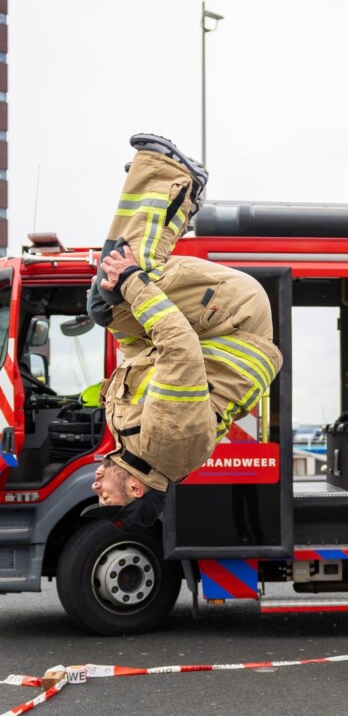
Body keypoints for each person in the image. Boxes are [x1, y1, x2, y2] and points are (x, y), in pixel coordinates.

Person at [86, 135, 283, 529]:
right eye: (105, 498)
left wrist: (119, 302)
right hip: (236, 316)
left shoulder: (141, 448)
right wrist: (131, 281)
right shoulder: (167, 443)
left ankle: (171, 203)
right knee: (125, 277)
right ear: (137, 489)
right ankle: (171, 179)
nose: (95, 488)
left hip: (219, 330)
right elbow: (178, 345)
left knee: (103, 303)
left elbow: (143, 355)